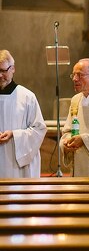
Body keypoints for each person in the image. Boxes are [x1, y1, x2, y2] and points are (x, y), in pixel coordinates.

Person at [0, 50, 46, 178]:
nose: (0, 75)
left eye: (3, 71)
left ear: (13, 69)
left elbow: (39, 129)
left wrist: (14, 135)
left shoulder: (26, 97)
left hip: (17, 165)